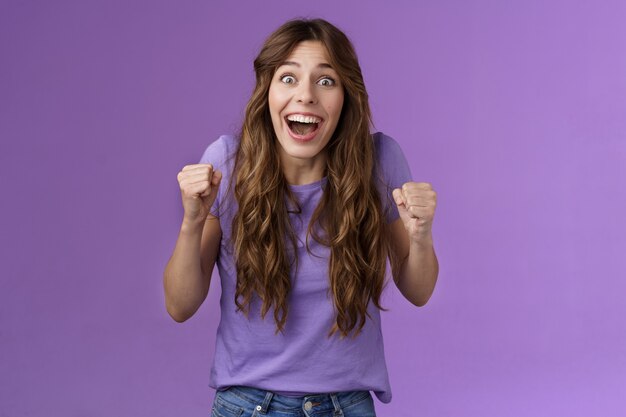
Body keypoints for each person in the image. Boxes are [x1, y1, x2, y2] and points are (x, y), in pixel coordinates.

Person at [163, 18, 438, 417]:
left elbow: (419, 290)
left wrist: (421, 235)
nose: (305, 95)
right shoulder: (226, 164)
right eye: (288, 78)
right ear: (267, 92)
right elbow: (179, 305)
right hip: (247, 406)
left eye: (325, 81)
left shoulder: (379, 162)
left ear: (346, 97)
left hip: (347, 406)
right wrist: (191, 222)